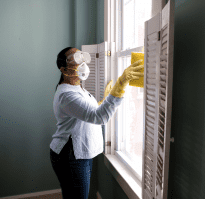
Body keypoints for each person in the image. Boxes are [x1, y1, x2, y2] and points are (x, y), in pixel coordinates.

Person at [50, 47, 144, 199]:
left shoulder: (77, 88)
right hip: (70, 154)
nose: (82, 62)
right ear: (64, 70)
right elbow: (99, 117)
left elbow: (86, 112)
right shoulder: (67, 94)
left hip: (77, 153)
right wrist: (121, 84)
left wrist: (103, 101)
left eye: (81, 56)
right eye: (75, 59)